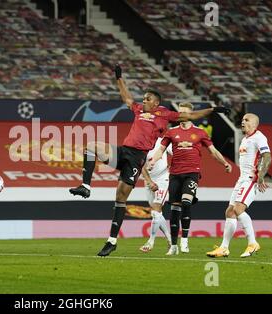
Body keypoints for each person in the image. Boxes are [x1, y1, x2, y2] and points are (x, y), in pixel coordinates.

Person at [69, 64, 231, 257]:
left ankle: (111, 241)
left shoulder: (166, 115)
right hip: (124, 151)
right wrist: (119, 77)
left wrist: (215, 109)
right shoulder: (138, 109)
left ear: (155, 103)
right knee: (92, 146)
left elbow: (192, 115)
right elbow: (126, 97)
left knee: (120, 199)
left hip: (137, 159)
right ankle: (85, 186)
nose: (143, 100)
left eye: (147, 98)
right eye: (144, 98)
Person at [149, 102, 232, 255]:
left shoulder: (200, 132)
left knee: (186, 202)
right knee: (174, 209)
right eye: (180, 112)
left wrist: (225, 163)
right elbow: (161, 149)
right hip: (174, 174)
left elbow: (213, 151)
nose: (182, 115)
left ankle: (184, 241)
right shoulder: (171, 132)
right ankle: (173, 246)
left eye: (185, 112)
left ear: (191, 115)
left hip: (192, 173)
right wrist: (153, 161)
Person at [207, 113, 271, 258]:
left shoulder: (259, 137)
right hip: (241, 179)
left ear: (254, 124)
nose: (243, 122)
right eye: (242, 120)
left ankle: (253, 243)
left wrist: (260, 176)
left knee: (238, 208)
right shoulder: (245, 139)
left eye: (246, 120)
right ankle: (224, 248)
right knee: (230, 212)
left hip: (251, 179)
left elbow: (267, 156)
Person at [139, 137, 172, 253]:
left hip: (162, 179)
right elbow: (140, 165)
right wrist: (149, 181)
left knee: (156, 210)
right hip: (148, 180)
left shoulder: (163, 141)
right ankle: (171, 241)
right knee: (157, 213)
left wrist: (173, 167)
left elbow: (177, 154)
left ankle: (151, 241)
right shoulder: (141, 143)